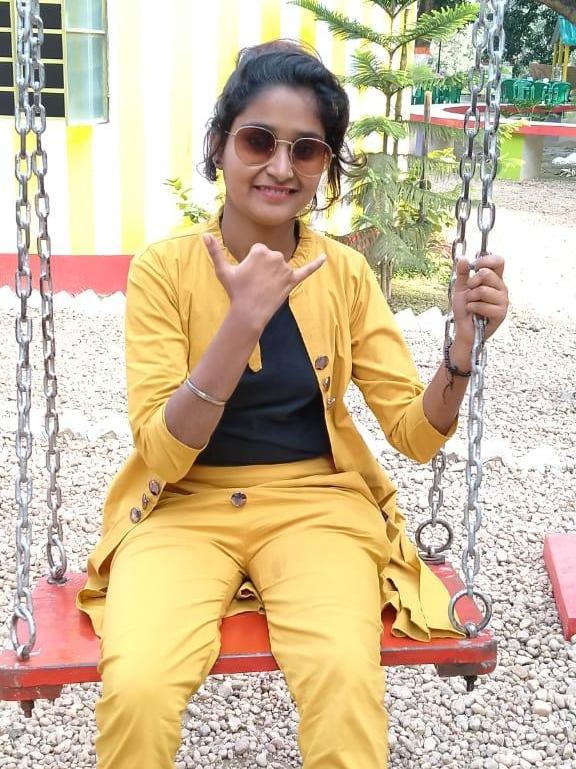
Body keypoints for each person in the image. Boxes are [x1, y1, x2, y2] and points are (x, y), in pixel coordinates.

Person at [77, 39, 509, 769]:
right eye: (258, 140)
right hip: (182, 507)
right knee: (139, 685)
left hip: (318, 507)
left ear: (324, 169)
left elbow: (415, 433)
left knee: (343, 678)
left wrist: (462, 347)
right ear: (219, 146)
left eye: (306, 150)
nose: (280, 167)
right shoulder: (164, 269)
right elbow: (163, 453)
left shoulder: (343, 274)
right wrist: (240, 322)